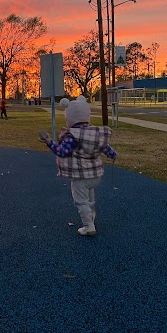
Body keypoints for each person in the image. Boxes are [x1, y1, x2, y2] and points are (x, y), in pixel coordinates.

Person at [39, 96, 117, 236]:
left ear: (70, 117)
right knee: (90, 197)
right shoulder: (95, 133)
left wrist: (49, 142)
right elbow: (107, 149)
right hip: (96, 174)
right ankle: (91, 216)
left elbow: (62, 152)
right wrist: (113, 155)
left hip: (80, 176)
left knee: (80, 200)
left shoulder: (72, 136)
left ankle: (88, 225)